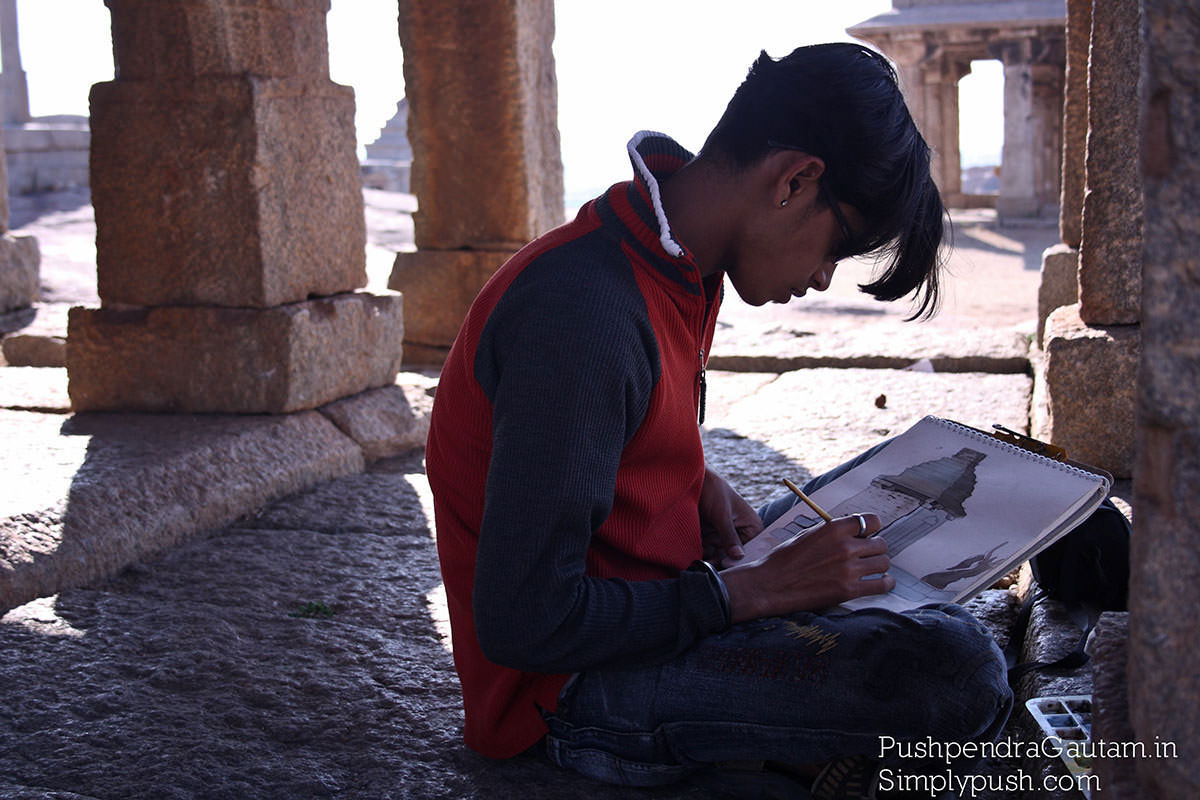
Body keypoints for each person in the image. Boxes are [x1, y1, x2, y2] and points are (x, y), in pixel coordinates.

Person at [426, 43, 1012, 798]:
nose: (823, 277)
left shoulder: (677, 260)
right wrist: (748, 595)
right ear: (795, 180)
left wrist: (690, 477)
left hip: (667, 586)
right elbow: (525, 620)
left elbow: (602, 423)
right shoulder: (584, 313)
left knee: (891, 501)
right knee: (955, 673)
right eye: (841, 246)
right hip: (571, 688)